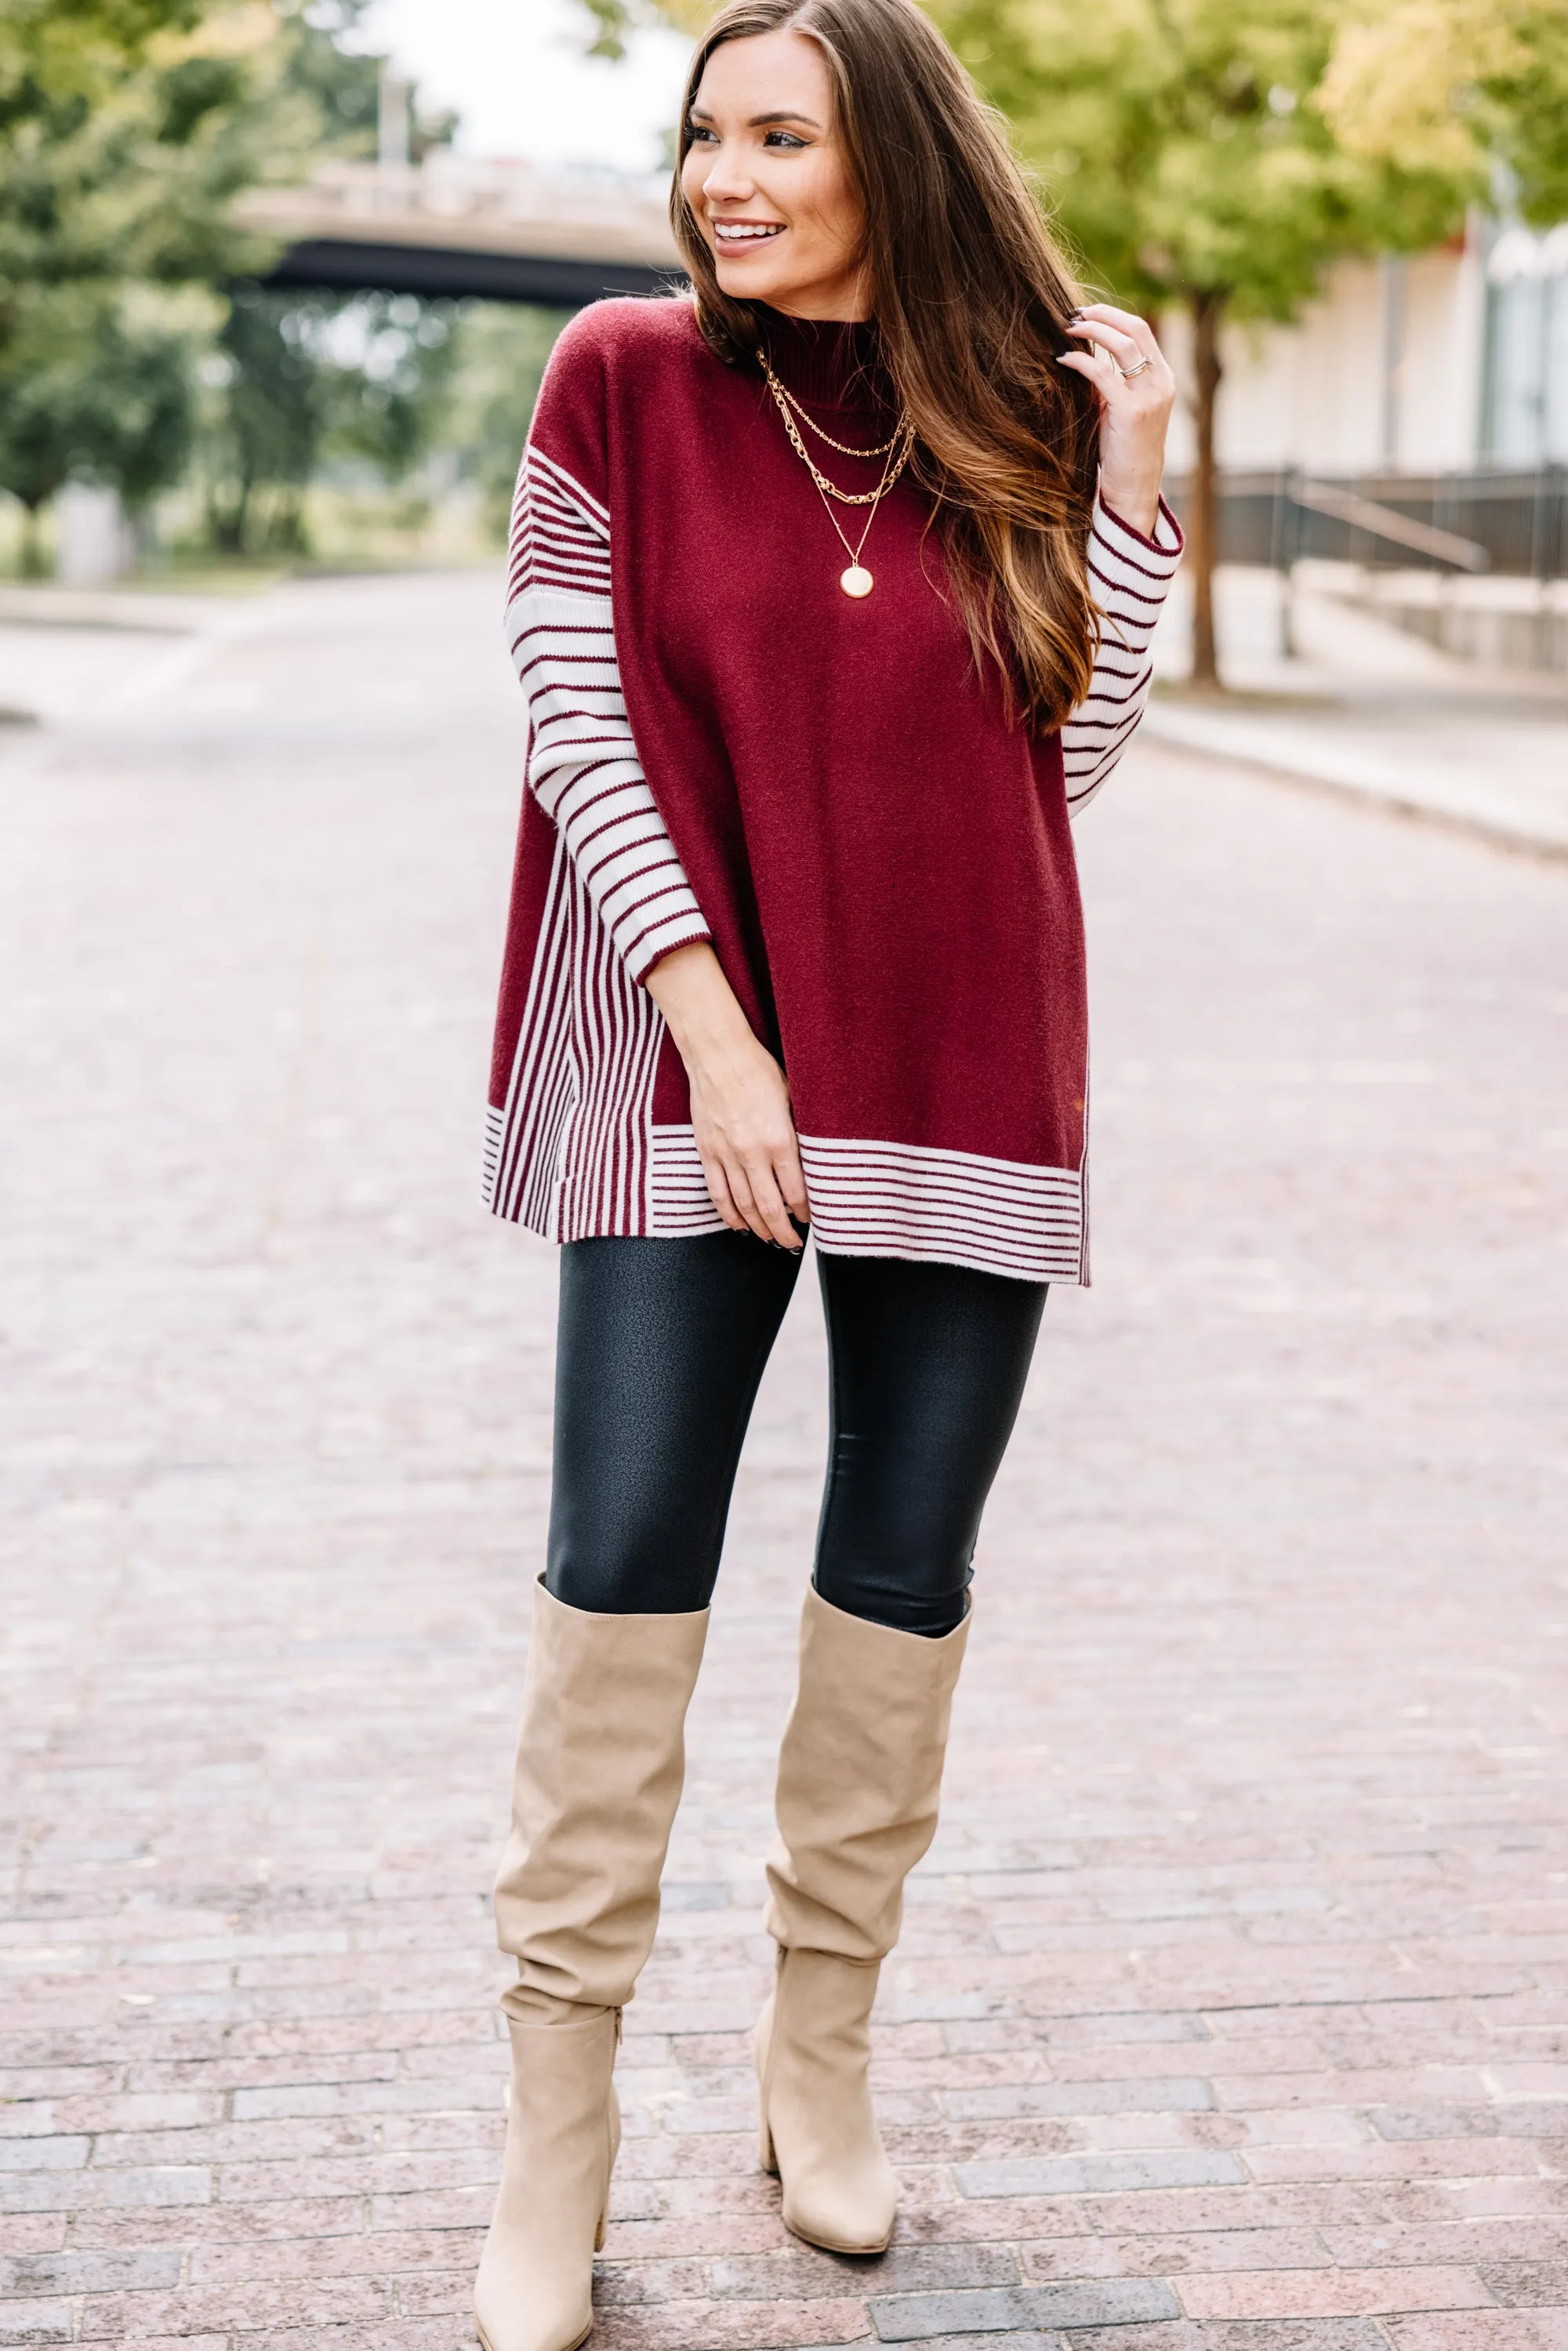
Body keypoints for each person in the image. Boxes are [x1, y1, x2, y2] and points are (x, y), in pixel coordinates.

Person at [474, 0, 1179, 2343]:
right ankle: (555, 2135)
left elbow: (1059, 762)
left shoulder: (997, 421)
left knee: (902, 1569)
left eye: (779, 134)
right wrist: (710, 1025)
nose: (725, 178)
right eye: (704, 137)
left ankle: (819, 2059)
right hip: (695, 1067)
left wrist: (1134, 484)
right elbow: (573, 702)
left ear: (897, 156)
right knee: (622, 1564)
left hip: (966, 1057)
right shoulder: (622, 383)